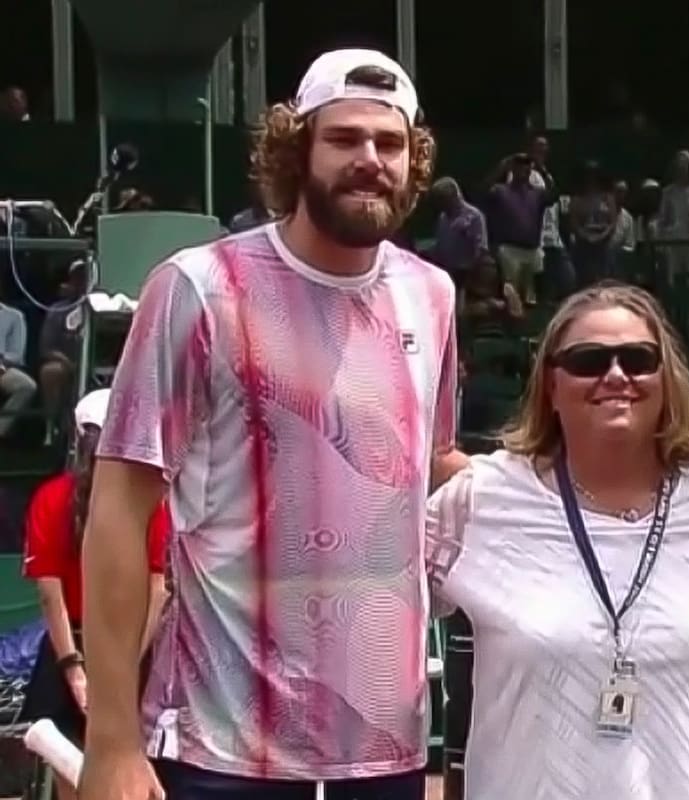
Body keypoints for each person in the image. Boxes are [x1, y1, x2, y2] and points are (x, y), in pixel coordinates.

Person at [79, 49, 466, 800]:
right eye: (344, 139)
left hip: (384, 750)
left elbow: (432, 464)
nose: (369, 161)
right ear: (298, 150)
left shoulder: (434, 295)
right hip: (222, 748)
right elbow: (121, 511)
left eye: (389, 145)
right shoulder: (197, 287)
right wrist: (112, 742)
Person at [425, 283, 689, 800]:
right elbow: (373, 608)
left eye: (639, 359)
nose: (616, 376)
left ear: (667, 378)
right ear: (550, 383)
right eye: (588, 360)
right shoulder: (480, 501)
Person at [18, 389, 170, 800]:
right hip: (133, 649)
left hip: (77, 648)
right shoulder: (153, 502)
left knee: (72, 765)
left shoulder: (49, 497)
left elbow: (51, 597)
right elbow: (159, 591)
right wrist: (120, 667)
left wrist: (76, 670)